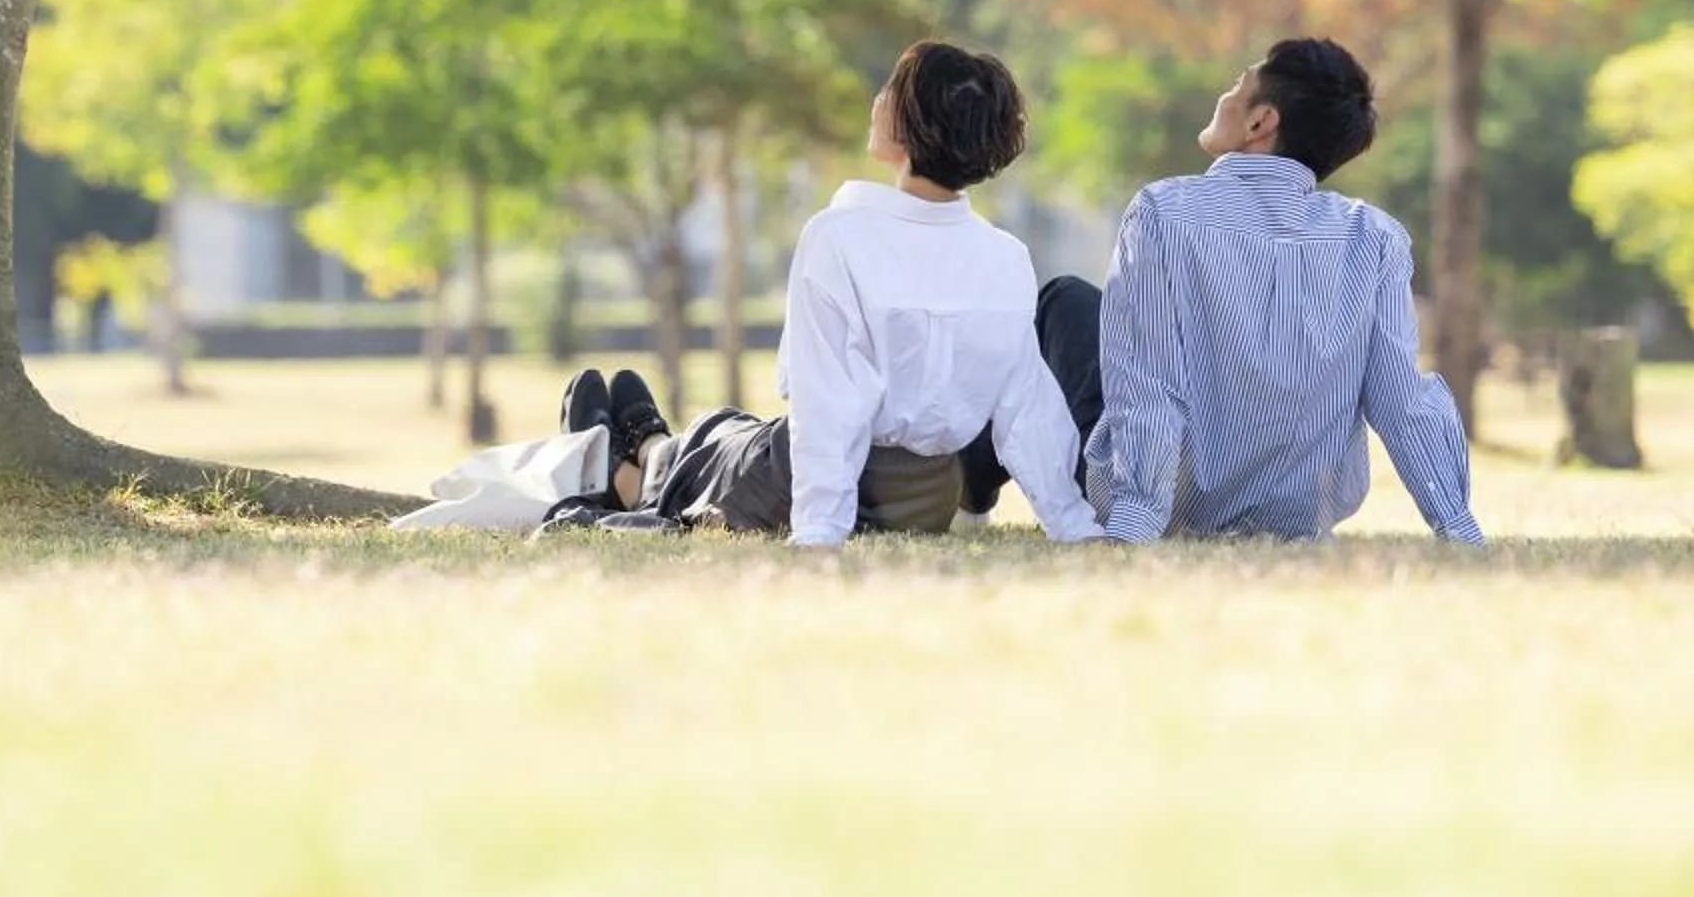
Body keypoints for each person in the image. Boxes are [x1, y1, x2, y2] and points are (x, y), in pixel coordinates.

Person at [549, 41, 1102, 547]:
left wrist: (820, 529)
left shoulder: (839, 237)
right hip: (929, 494)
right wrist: (1072, 523)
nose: (877, 100)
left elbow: (828, 399)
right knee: (735, 428)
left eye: (889, 90)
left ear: (912, 125)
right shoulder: (1004, 257)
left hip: (823, 480)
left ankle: (627, 469)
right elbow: (1027, 409)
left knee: (719, 445)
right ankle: (644, 447)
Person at [966, 38, 1483, 545]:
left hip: (1170, 499)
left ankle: (968, 489)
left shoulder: (1164, 212)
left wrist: (1138, 520)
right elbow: (1401, 400)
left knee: (1065, 301)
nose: (1225, 94)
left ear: (1261, 122)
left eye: (1239, 84)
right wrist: (1456, 525)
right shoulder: (1374, 237)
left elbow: (1148, 381)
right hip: (1300, 513)